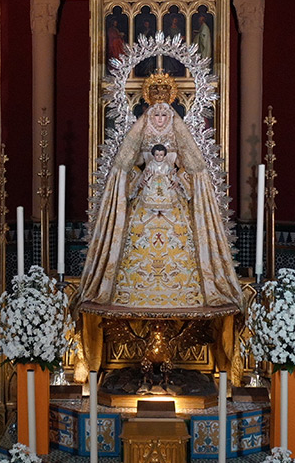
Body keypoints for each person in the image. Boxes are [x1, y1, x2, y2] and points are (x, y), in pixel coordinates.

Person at [79, 72, 241, 309]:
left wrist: (179, 178)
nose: (161, 118)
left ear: (172, 114)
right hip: (144, 201)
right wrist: (139, 178)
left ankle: (183, 292)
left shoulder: (177, 132)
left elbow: (192, 166)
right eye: (156, 112)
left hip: (173, 201)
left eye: (165, 113)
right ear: (148, 112)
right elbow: (126, 165)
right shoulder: (141, 132)